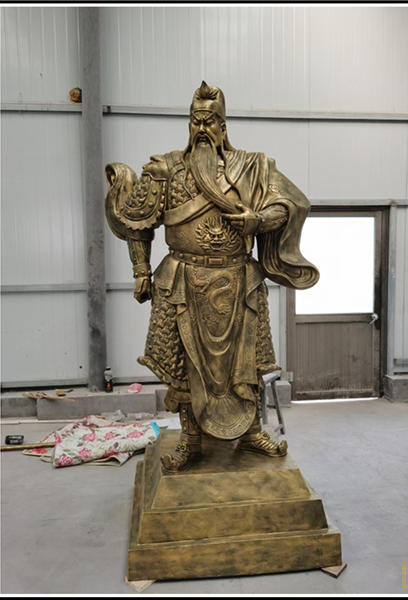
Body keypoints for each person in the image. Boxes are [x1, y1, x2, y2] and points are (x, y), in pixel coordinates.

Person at [105, 82, 319, 472]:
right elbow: (138, 223)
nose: (202, 129)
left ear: (223, 125)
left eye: (210, 122)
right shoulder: (165, 168)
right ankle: (190, 440)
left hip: (238, 281)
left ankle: (251, 432)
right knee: (184, 365)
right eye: (196, 121)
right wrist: (141, 270)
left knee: (247, 363)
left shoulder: (252, 167)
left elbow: (290, 204)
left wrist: (257, 219)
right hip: (183, 279)